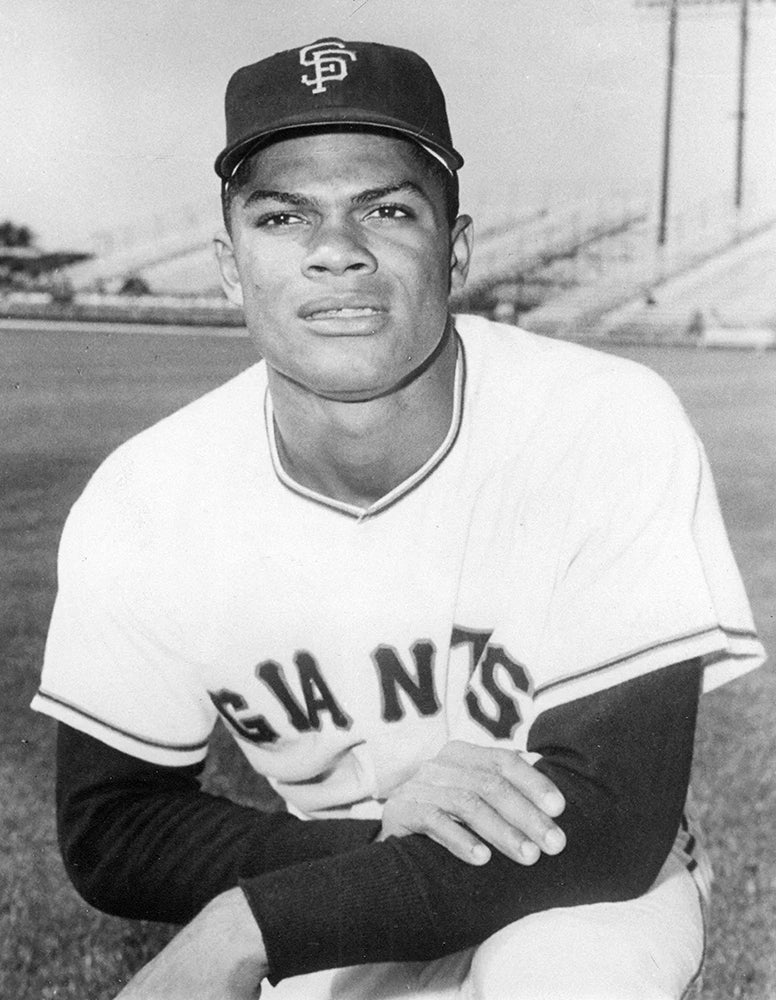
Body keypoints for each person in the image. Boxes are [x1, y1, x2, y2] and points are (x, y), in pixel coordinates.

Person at [32, 37, 765, 1000]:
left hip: (580, 896)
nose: (337, 250)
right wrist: (363, 845)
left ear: (455, 250)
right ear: (227, 264)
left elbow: (612, 821)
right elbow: (112, 824)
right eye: (284, 215)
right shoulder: (146, 496)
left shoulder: (600, 420)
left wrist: (248, 922)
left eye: (385, 208)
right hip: (341, 883)